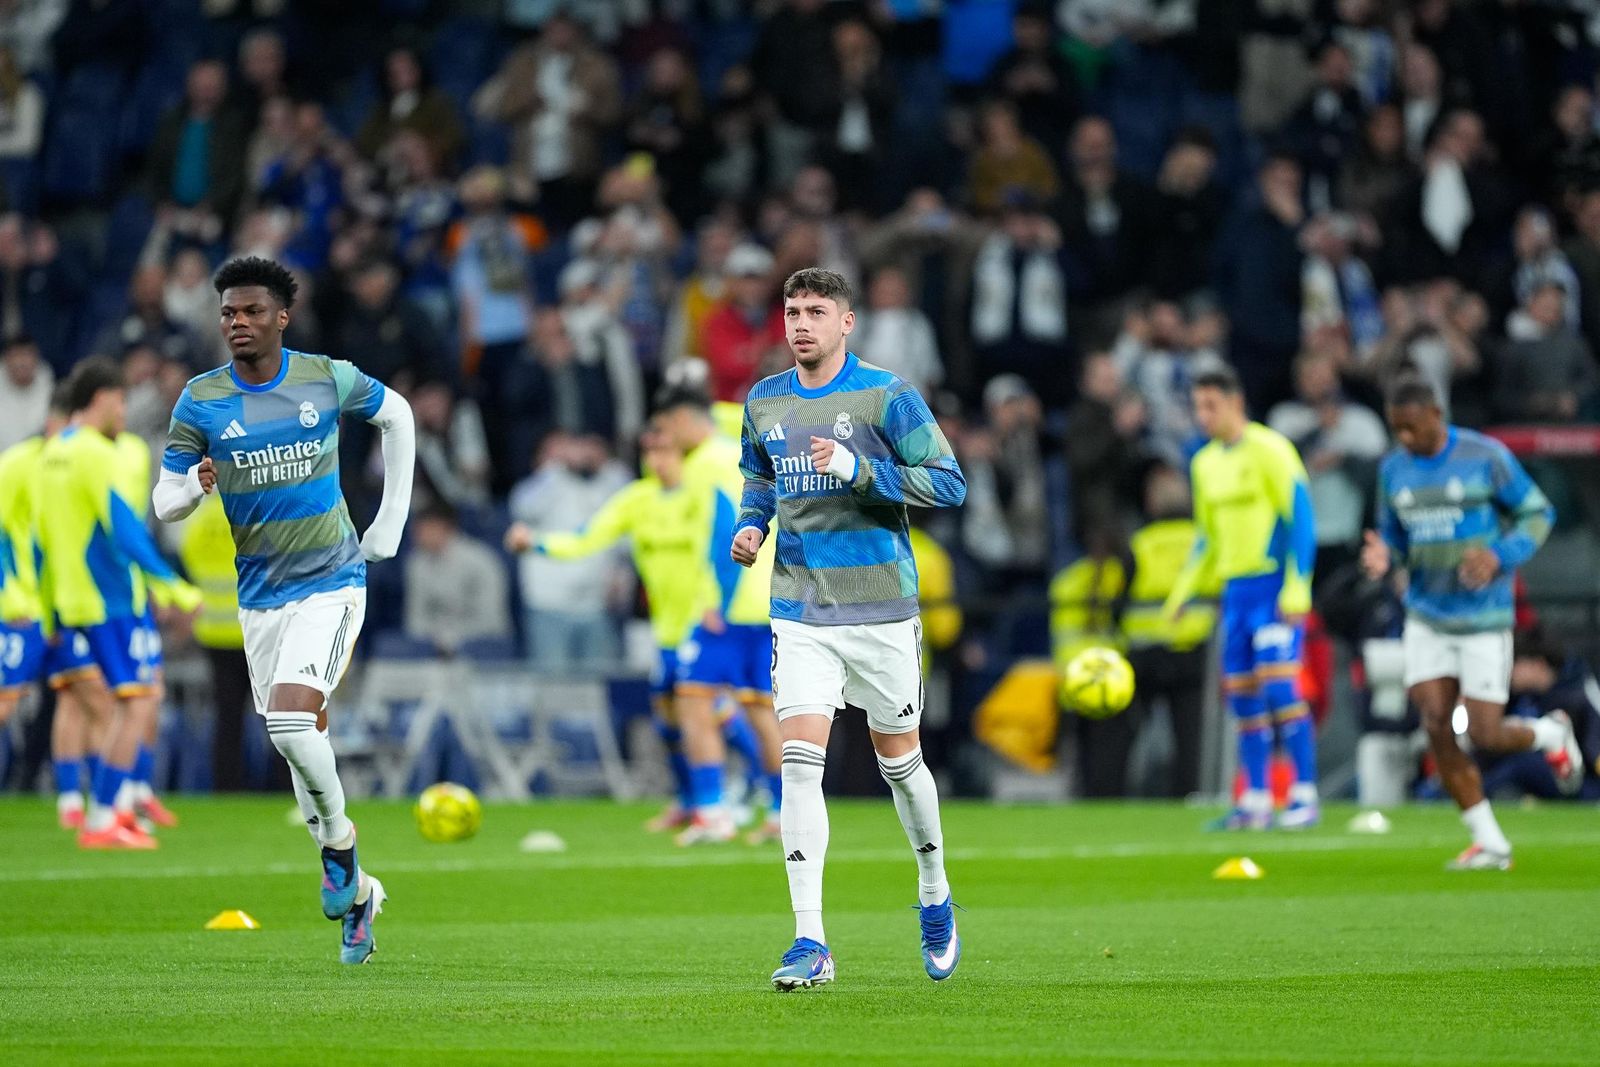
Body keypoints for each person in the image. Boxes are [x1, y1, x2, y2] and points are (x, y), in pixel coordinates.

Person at [152, 256, 416, 963]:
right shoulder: (202, 398)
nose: (237, 323)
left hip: (332, 580)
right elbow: (165, 498)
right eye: (228, 313)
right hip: (259, 597)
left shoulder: (324, 377)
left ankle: (341, 849)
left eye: (251, 312)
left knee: (293, 720)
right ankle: (359, 893)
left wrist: (390, 520)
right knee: (297, 745)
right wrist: (194, 488)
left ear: (281, 317)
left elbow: (399, 415)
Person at [732, 267, 967, 990]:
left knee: (902, 765)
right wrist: (750, 524)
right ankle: (811, 940)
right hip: (801, 609)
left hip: (882, 611)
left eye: (816, 311)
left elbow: (949, 481)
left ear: (846, 323)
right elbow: (759, 476)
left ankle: (933, 884)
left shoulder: (887, 395)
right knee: (800, 761)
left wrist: (864, 469)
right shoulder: (764, 400)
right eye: (792, 310)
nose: (800, 323)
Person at [1361, 375, 1578, 870]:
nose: (1406, 439)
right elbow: (1392, 536)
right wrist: (1383, 556)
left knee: (1485, 733)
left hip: (1483, 618)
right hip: (1427, 616)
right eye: (1397, 430)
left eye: (1413, 428)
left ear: (1437, 414)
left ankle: (1550, 735)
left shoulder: (1486, 456)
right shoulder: (1394, 468)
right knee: (1436, 724)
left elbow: (1537, 513)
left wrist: (1500, 555)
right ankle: (1490, 842)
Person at [35, 359, 198, 849]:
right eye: (122, 400)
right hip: (109, 598)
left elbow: (41, 539)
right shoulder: (95, 453)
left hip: (70, 600)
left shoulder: (51, 454)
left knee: (115, 702)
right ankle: (106, 816)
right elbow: (120, 525)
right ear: (101, 397)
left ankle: (110, 811)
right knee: (138, 701)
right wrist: (169, 583)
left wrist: (47, 608)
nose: (124, 410)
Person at [1163, 367, 1320, 831]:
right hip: (1235, 594)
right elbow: (1206, 539)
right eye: (1198, 406)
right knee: (1243, 698)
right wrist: (1182, 592)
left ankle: (1304, 795)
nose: (1203, 415)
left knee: (1280, 689)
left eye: (1211, 405)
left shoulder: (1271, 449)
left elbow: (1302, 518)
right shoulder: (1204, 463)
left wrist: (1299, 585)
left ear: (1236, 402)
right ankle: (1254, 801)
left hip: (1273, 588)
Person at [656, 385, 782, 846]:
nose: (669, 440)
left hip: (729, 606)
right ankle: (783, 811)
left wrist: (716, 601)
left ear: (688, 422)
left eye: (670, 428)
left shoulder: (705, 462)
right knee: (760, 711)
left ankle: (711, 812)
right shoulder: (738, 448)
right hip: (765, 599)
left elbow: (724, 525)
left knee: (691, 700)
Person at [0, 386, 117, 829]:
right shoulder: (16, 465)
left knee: (85, 696)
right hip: (18, 609)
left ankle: (78, 804)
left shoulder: (66, 470)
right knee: (5, 705)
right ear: (55, 423)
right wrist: (11, 598)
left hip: (58, 610)